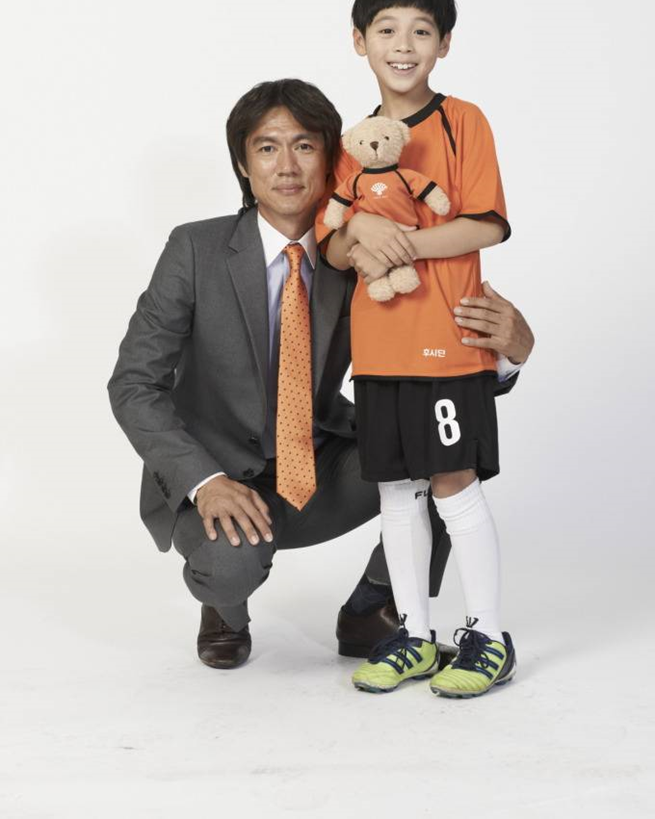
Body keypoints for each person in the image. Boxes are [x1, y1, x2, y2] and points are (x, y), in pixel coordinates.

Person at [108, 77, 534, 671]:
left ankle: (374, 608)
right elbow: (133, 384)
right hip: (218, 469)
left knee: (441, 454)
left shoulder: (361, 256)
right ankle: (226, 607)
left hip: (323, 461)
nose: (287, 166)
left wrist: (512, 353)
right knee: (228, 564)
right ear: (243, 164)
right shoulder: (194, 249)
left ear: (334, 160)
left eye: (305, 146)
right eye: (267, 147)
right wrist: (204, 480)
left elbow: (435, 374)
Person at [321, 0, 521, 698]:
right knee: (397, 492)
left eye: (420, 31)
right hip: (379, 346)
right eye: (386, 30)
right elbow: (333, 245)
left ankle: (488, 634)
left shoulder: (462, 120)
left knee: (451, 483)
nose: (402, 45)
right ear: (359, 41)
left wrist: (397, 240)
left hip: (447, 339)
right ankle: (413, 633)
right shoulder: (353, 141)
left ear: (443, 44)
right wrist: (359, 235)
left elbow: (484, 224)